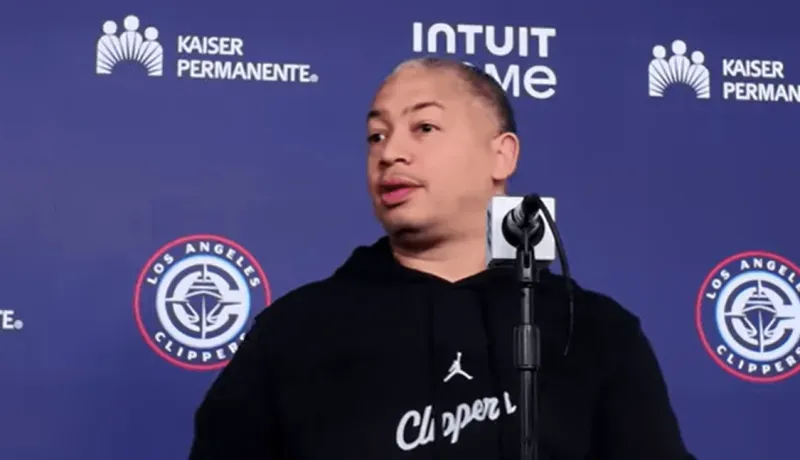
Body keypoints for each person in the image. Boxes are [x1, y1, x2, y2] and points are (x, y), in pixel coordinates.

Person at [188, 57, 695, 459]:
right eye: (376, 136)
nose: (390, 153)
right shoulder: (295, 331)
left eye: (424, 127)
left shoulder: (593, 331)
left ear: (502, 155)